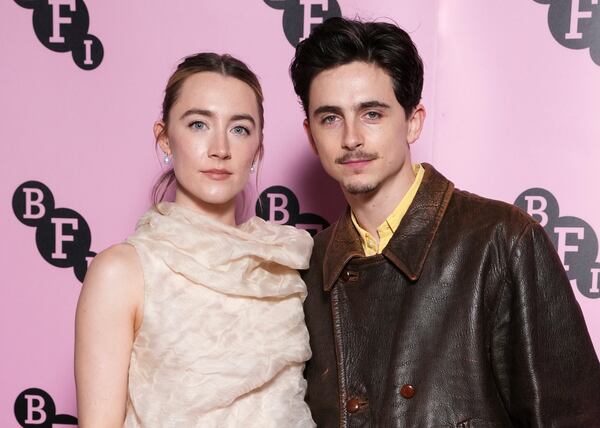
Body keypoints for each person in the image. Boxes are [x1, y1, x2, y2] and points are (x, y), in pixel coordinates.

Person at [290, 17, 600, 427]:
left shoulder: (501, 240)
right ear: (311, 136)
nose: (351, 138)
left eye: (372, 114)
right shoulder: (306, 268)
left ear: (413, 121)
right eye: (330, 118)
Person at [75, 53, 315, 427]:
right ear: (166, 139)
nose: (220, 148)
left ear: (257, 150)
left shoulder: (285, 261)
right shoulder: (124, 271)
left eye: (240, 129)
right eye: (199, 124)